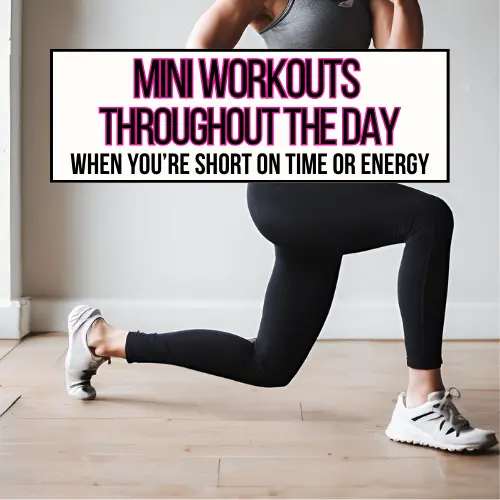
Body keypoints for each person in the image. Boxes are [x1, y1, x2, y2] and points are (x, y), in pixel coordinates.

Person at [65, 0, 498, 452]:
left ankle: (102, 339)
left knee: (268, 364)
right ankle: (421, 400)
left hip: (340, 185)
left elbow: (403, 72)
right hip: (288, 188)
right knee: (428, 216)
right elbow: (194, 61)